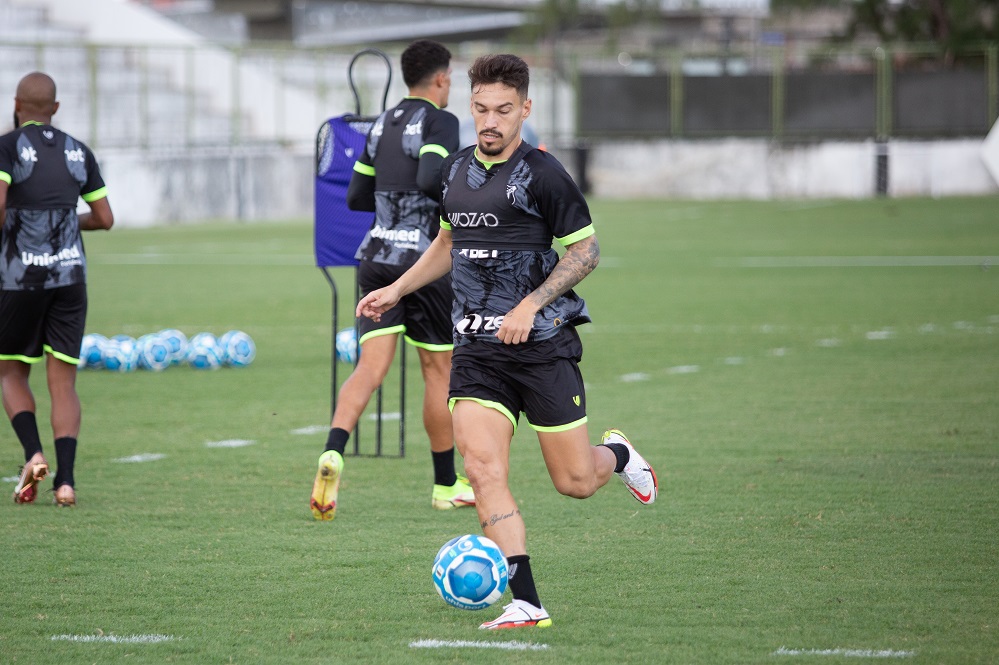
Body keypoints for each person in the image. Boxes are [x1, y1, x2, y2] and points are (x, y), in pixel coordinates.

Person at [357, 54, 658, 629]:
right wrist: (396, 288)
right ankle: (527, 600)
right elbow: (447, 244)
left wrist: (530, 304)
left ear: (525, 109)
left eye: (502, 111)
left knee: (574, 483)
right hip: (476, 350)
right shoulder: (455, 171)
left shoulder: (544, 174)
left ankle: (617, 455)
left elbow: (585, 252)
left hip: (543, 345)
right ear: (469, 106)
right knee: (483, 466)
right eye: (480, 109)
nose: (489, 121)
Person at [310, 40, 474, 520]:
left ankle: (334, 451)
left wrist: (391, 204)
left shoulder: (381, 123)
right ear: (441, 79)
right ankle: (445, 485)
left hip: (375, 257)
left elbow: (358, 194)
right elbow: (429, 178)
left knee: (370, 367)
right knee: (436, 373)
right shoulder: (441, 121)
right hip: (422, 263)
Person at [0, 71, 114, 507]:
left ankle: (33, 453)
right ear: (56, 108)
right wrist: (66, 222)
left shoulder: (7, 147)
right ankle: (65, 482)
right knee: (62, 381)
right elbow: (104, 218)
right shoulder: (77, 150)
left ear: (16, 104)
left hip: (19, 278)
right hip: (70, 276)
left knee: (11, 369)